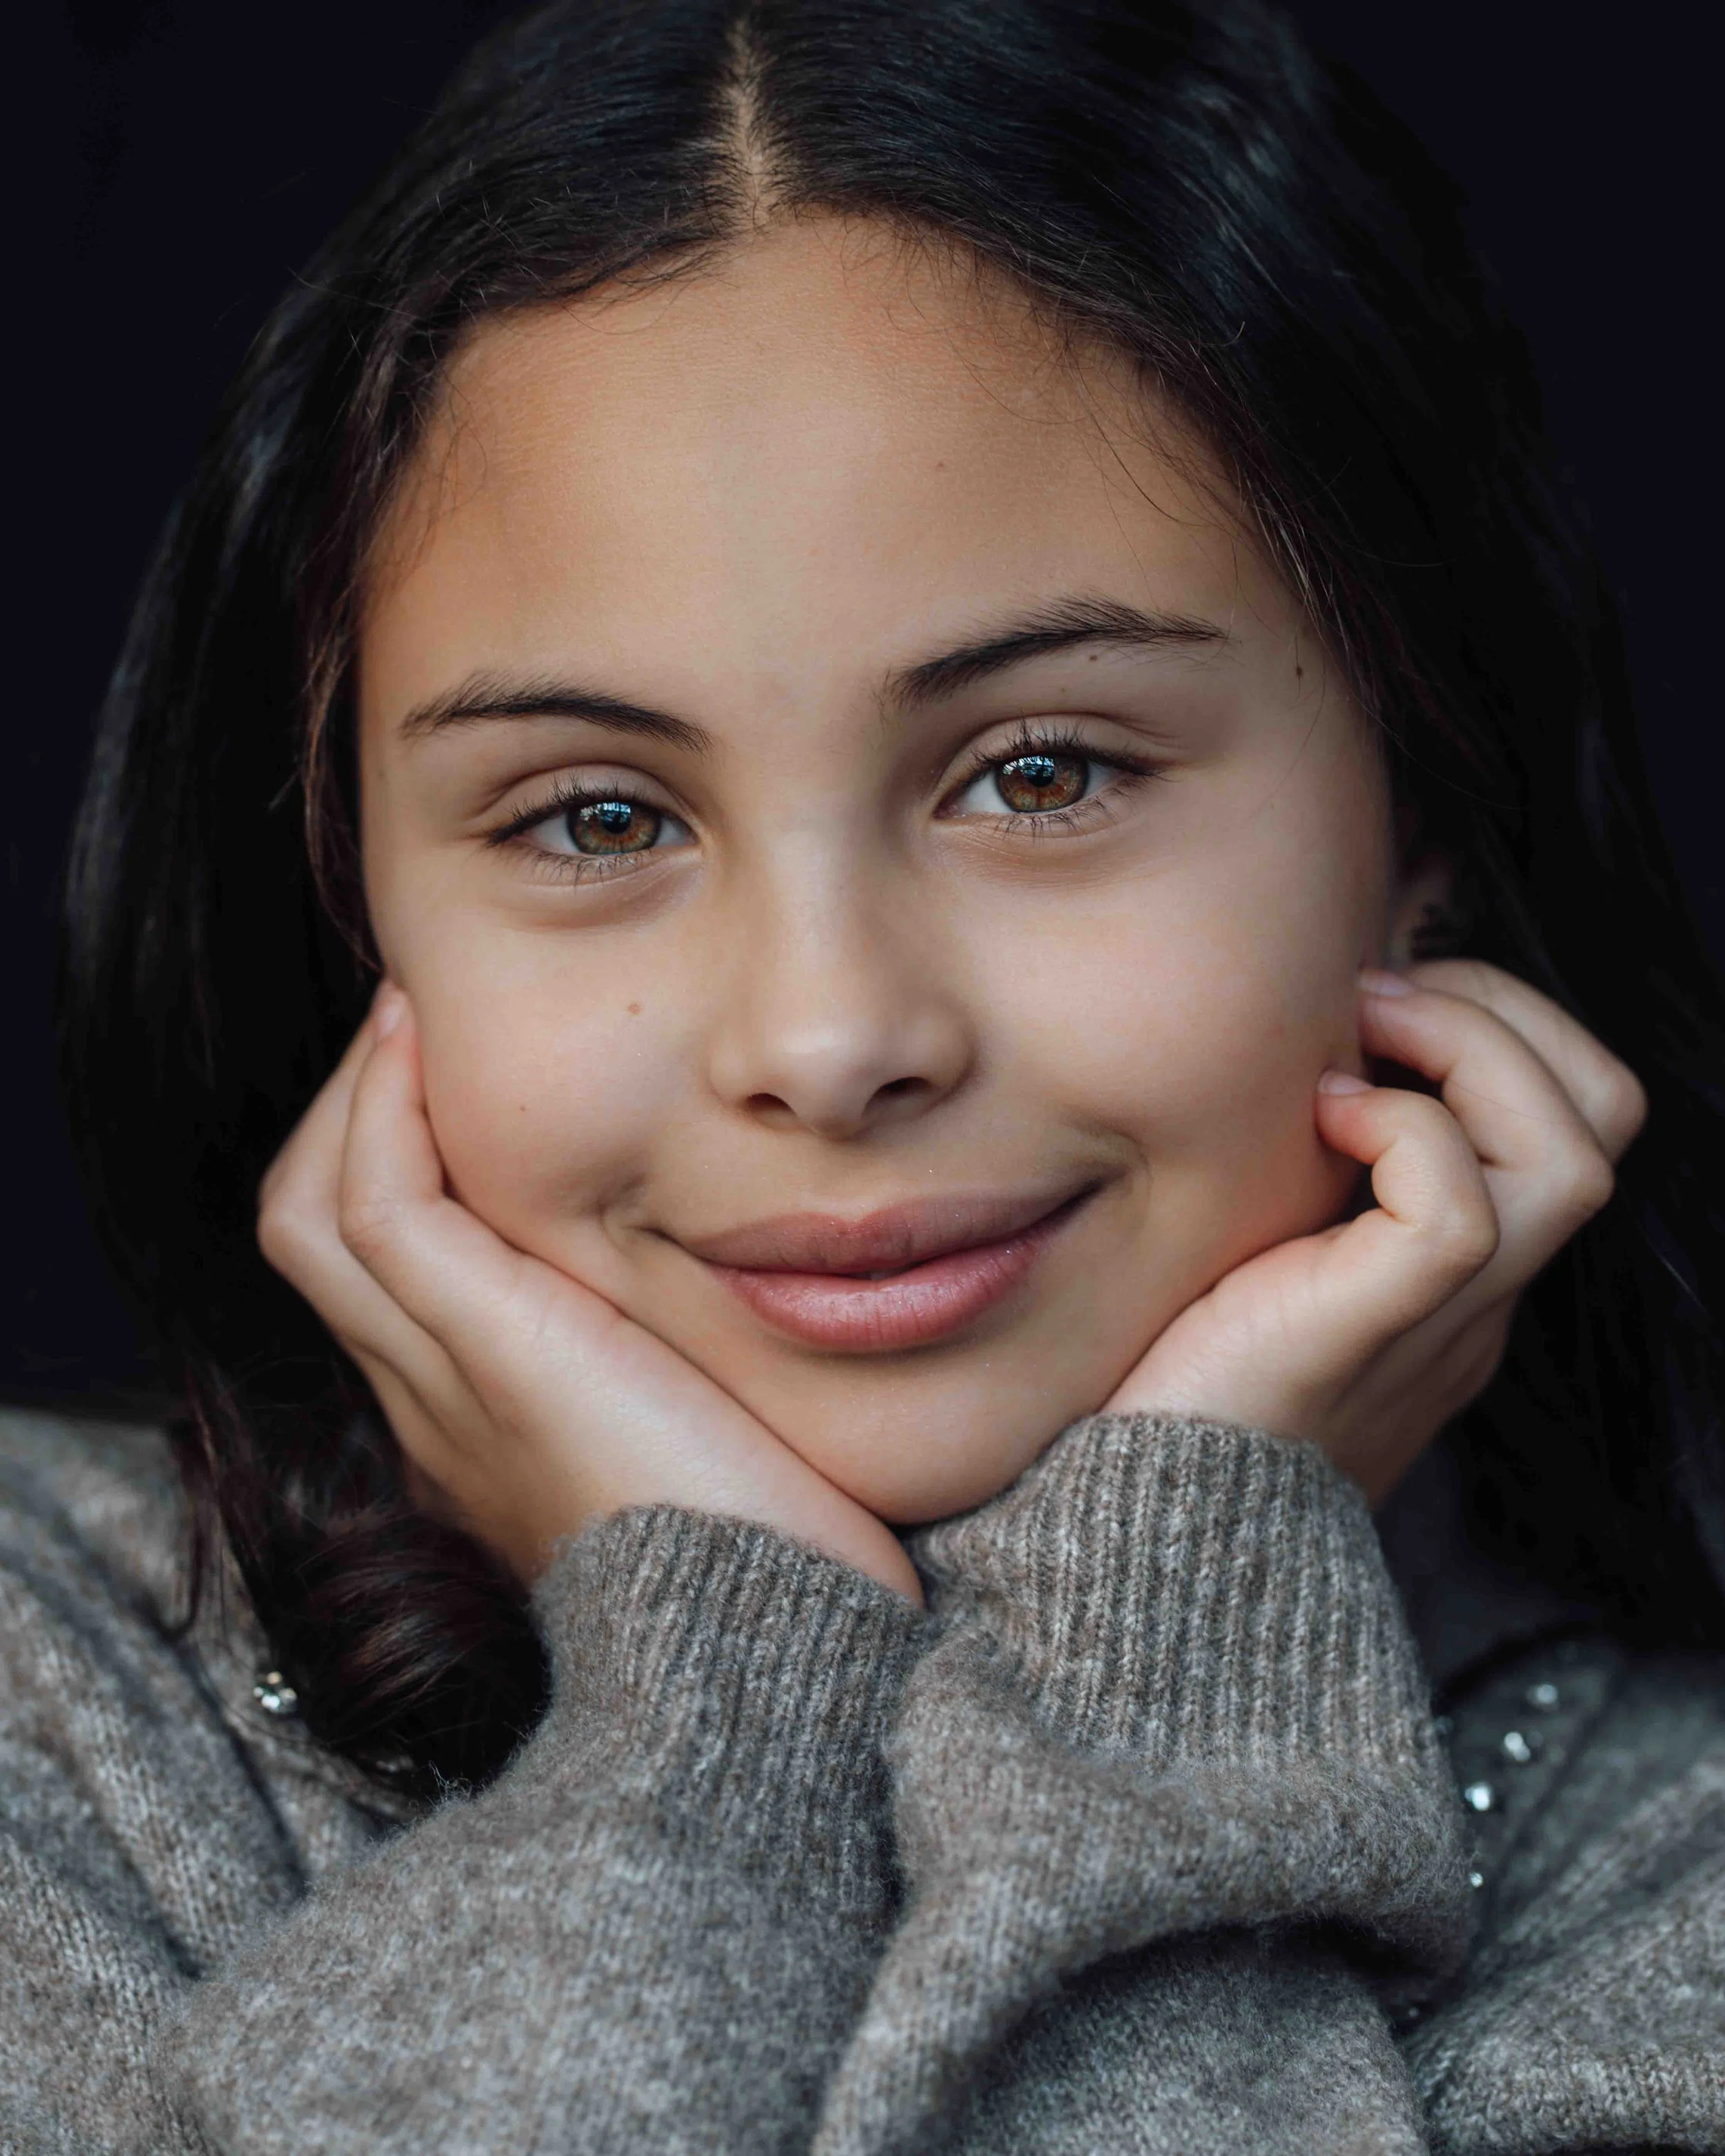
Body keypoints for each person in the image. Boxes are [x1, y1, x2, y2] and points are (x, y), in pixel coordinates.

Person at [6, 0, 1722, 2148]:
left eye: (1041, 770)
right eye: (597, 817)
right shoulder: (47, 1694)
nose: (826, 1040)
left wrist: (1155, 1671)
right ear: (357, 899)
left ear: (1422, 823)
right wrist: (708, 1729)